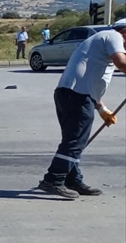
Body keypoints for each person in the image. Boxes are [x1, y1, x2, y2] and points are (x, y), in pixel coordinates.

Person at [36, 19, 126, 199]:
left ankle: (72, 179)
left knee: (74, 140)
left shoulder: (103, 40)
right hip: (76, 95)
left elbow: (90, 78)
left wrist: (102, 109)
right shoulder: (114, 36)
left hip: (72, 93)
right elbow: (121, 63)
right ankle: (53, 179)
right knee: (75, 141)